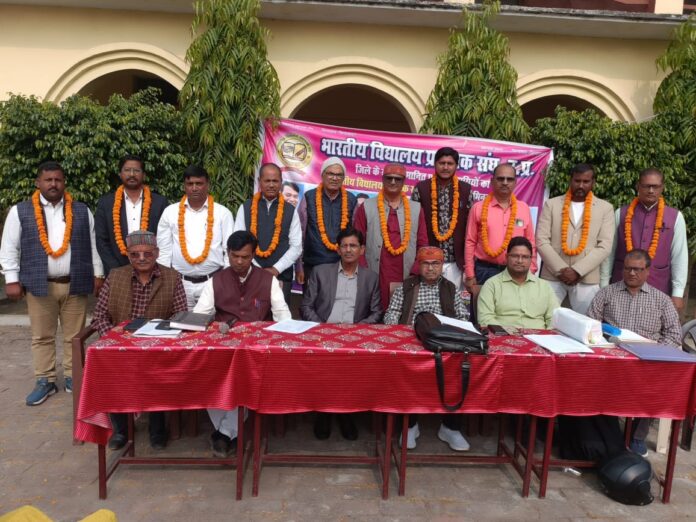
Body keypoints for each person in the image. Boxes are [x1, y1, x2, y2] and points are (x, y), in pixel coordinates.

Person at [0, 161, 104, 405]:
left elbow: (92, 245)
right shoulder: (20, 211)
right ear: (38, 183)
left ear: (64, 182)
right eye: (48, 180)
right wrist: (11, 279)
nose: (53, 184)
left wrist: (98, 274)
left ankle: (72, 376)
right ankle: (45, 380)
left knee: (75, 336)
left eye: (58, 179)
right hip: (39, 285)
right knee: (42, 336)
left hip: (75, 283)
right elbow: (9, 247)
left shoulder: (81, 210)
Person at [193, 231, 291, 457]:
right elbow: (199, 317)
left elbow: (283, 318)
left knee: (245, 377)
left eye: (245, 257)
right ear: (227, 253)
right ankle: (231, 431)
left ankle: (224, 433)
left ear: (253, 255)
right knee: (208, 378)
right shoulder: (216, 280)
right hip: (223, 350)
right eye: (234, 256)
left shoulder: (268, 280)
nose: (239, 261)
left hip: (256, 353)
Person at [90, 231, 187, 450]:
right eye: (135, 254)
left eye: (147, 254)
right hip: (120, 348)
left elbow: (180, 316)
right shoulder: (115, 276)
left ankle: (157, 429)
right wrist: (113, 340)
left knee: (158, 372)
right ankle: (121, 429)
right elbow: (100, 316)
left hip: (156, 348)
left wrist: (159, 340)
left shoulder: (172, 277)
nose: (141, 259)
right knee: (108, 370)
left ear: (157, 253)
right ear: (128, 255)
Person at [588, 249, 681, 457]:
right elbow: (589, 326)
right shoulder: (606, 294)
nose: (632, 273)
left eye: (638, 269)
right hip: (612, 359)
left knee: (655, 383)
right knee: (593, 379)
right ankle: (609, 435)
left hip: (647, 362)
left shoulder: (662, 300)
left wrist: (655, 355)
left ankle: (637, 437)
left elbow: (674, 335)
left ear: (647, 271)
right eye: (628, 268)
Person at [384, 246, 470, 451]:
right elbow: (391, 315)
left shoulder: (450, 288)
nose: (430, 268)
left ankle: (450, 427)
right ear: (419, 265)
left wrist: (451, 334)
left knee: (460, 369)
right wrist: (402, 334)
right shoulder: (407, 286)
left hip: (445, 342)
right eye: (426, 264)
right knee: (407, 372)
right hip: (411, 341)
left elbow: (463, 317)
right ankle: (410, 426)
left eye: (435, 264)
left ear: (441, 266)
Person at [301, 228, 381, 440]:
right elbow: (306, 306)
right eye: (344, 246)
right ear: (337, 250)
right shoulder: (320, 272)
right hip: (323, 334)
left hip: (355, 337)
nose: (348, 250)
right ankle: (323, 413)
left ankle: (346, 414)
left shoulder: (371, 278)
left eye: (353, 246)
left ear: (362, 250)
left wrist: (357, 330)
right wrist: (323, 328)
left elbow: (376, 313)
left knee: (351, 375)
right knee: (323, 373)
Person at [600, 168, 688, 315]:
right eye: (647, 186)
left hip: (658, 287)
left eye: (656, 186)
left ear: (662, 187)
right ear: (638, 186)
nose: (651, 190)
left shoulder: (675, 217)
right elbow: (609, 252)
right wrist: (604, 285)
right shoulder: (621, 214)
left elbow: (679, 257)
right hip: (620, 286)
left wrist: (677, 293)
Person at [536, 163, 614, 315]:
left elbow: (605, 246)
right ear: (570, 180)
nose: (581, 185)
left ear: (593, 182)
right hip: (553, 275)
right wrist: (561, 270)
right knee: (544, 319)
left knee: (586, 323)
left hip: (587, 277)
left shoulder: (605, 208)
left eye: (586, 181)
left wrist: (578, 271)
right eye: (577, 181)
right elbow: (541, 240)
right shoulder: (552, 205)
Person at [156, 165, 235, 309]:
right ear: (184, 186)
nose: (194, 188)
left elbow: (229, 250)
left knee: (212, 322)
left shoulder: (223, 213)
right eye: (190, 184)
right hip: (180, 283)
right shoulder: (170, 212)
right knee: (181, 321)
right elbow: (164, 251)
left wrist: (225, 280)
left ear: (207, 185)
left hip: (213, 281)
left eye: (199, 183)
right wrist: (166, 282)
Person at [353, 164, 429, 310]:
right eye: (389, 178)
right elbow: (357, 242)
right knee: (373, 311)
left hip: (406, 273)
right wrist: (364, 271)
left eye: (397, 179)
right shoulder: (367, 206)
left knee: (401, 312)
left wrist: (415, 270)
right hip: (375, 271)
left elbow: (423, 243)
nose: (393, 182)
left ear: (404, 181)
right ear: (382, 179)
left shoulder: (416, 208)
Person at [464, 163, 537, 304]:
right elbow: (470, 242)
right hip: (484, 271)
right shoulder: (478, 208)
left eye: (509, 179)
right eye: (500, 178)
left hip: (516, 272)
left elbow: (530, 242)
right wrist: (470, 274)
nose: (505, 182)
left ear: (515, 182)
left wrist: (531, 270)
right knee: (482, 312)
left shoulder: (523, 209)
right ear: (492, 181)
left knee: (512, 311)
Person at [234, 163, 301, 306]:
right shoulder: (246, 207)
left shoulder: (290, 211)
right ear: (260, 182)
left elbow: (296, 246)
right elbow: (238, 243)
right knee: (251, 315)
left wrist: (276, 269)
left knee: (280, 317)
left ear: (281, 182)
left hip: (281, 276)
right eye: (267, 181)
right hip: (250, 275)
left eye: (275, 181)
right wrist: (257, 270)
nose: (271, 185)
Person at [94, 155, 169, 276]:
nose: (132, 174)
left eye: (136, 170)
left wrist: (155, 268)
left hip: (152, 272)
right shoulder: (106, 203)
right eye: (127, 170)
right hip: (117, 272)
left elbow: (164, 240)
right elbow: (102, 241)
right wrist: (117, 270)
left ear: (143, 175)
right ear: (120, 174)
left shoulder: (159, 203)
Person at [411, 147, 471, 291]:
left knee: (452, 299)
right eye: (442, 163)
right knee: (426, 298)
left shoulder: (465, 190)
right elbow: (413, 223)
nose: (445, 167)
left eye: (450, 163)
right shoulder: (421, 188)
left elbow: (470, 226)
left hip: (455, 261)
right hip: (427, 260)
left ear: (456, 166)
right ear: (435, 164)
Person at [477, 237, 558, 329]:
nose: (520, 261)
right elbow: (485, 319)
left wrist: (548, 336)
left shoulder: (544, 286)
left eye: (525, 257)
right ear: (507, 257)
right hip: (504, 336)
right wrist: (507, 334)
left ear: (531, 259)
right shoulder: (492, 285)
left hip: (540, 336)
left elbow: (555, 319)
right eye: (515, 256)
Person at [298, 157, 357, 280]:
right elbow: (300, 233)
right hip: (312, 264)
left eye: (339, 175)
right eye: (330, 173)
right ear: (322, 175)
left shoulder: (351, 200)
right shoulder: (309, 197)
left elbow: (355, 237)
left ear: (343, 178)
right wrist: (298, 266)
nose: (335, 178)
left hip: (341, 266)